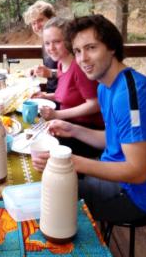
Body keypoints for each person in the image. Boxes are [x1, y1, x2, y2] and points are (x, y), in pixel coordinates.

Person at [32, 15, 146, 223]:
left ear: (112, 48)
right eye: (78, 51)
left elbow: (138, 172)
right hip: (111, 178)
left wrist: (72, 162)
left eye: (91, 48)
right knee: (44, 184)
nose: (83, 59)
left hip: (131, 197)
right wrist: (72, 129)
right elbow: (113, 139)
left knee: (44, 197)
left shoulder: (132, 95)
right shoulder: (106, 87)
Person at [35, 17, 104, 157]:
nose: (51, 48)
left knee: (40, 151)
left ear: (68, 40)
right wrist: (47, 96)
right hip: (67, 124)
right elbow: (70, 94)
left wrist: (57, 115)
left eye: (57, 42)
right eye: (47, 43)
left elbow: (95, 104)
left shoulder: (78, 66)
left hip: (86, 132)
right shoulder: (61, 63)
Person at [23, 0, 57, 92]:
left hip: (64, 98)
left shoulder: (64, 41)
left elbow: (73, 72)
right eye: (33, 23)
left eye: (40, 20)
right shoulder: (45, 42)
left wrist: (51, 73)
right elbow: (53, 67)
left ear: (51, 18)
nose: (37, 26)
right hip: (51, 94)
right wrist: (37, 70)